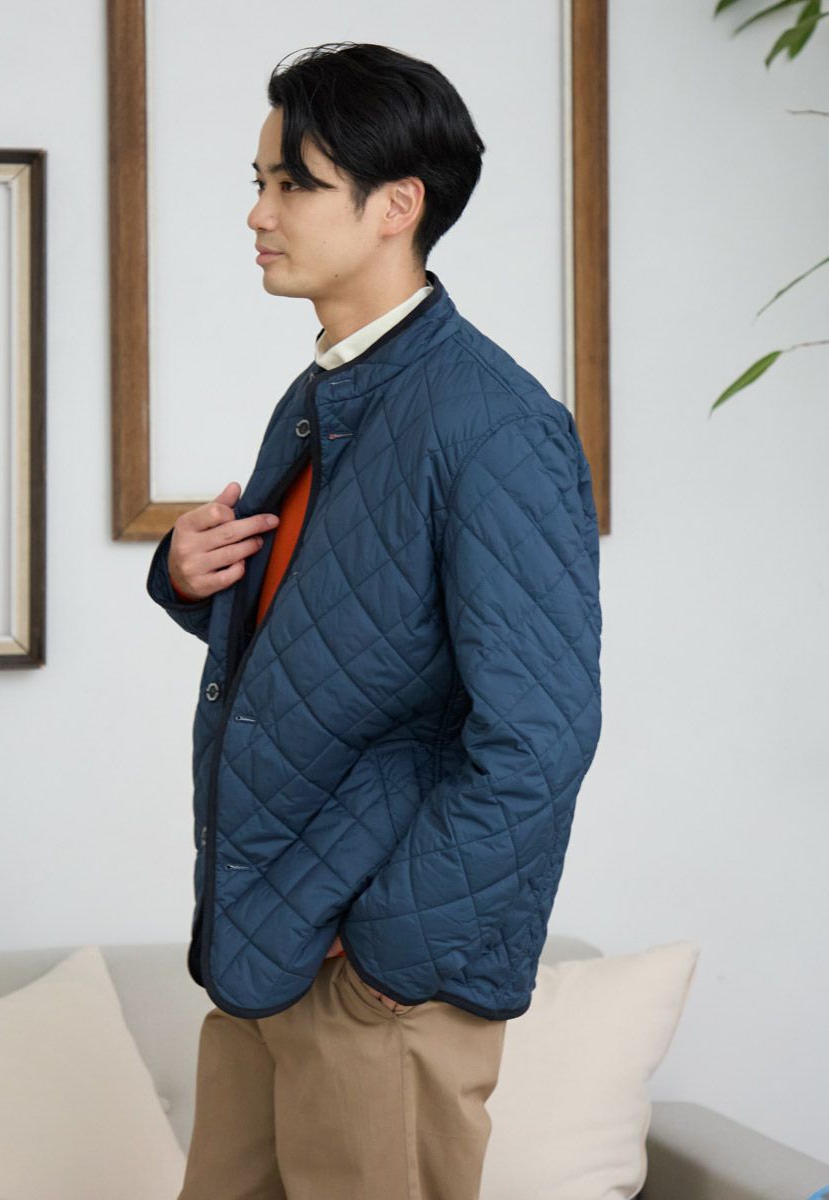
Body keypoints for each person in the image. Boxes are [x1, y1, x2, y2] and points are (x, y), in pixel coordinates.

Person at [146, 41, 603, 1200]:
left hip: (375, 986)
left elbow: (539, 737)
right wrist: (192, 579)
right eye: (259, 181)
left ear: (397, 205)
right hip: (268, 950)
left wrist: (395, 948)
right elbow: (339, 648)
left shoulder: (495, 425)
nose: (259, 213)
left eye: (293, 184)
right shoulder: (324, 393)